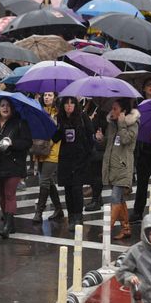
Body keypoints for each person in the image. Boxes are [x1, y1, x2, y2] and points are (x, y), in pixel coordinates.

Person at [0, 98, 33, 238]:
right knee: (2, 194)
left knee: (10, 194)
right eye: (2, 105)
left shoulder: (20, 123)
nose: (5, 108)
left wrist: (11, 143)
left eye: (8, 106)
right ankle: (10, 223)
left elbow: (27, 143)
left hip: (13, 164)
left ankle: (7, 226)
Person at [101, 98, 140, 240]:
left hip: (124, 166)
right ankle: (126, 228)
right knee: (121, 199)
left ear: (123, 111)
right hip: (113, 166)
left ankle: (108, 227)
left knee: (115, 197)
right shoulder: (112, 124)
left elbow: (126, 140)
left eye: (115, 108)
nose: (112, 111)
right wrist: (100, 138)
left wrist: (122, 124)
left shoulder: (133, 124)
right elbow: (108, 142)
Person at [54, 96, 94, 230]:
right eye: (66, 103)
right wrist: (54, 125)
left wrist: (86, 154)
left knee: (77, 189)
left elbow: (90, 136)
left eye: (72, 103)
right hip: (65, 159)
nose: (69, 106)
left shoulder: (82, 117)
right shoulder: (61, 118)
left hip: (79, 159)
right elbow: (55, 138)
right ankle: (71, 215)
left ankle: (78, 216)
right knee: (68, 189)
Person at [32, 92, 64, 223]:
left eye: (50, 95)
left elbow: (60, 132)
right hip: (40, 148)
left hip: (53, 149)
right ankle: (58, 209)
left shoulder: (59, 113)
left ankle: (39, 212)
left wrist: (51, 143)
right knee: (48, 181)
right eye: (45, 95)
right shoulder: (39, 111)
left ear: (55, 97)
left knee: (44, 180)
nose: (46, 97)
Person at [132, 79, 151, 223]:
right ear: (143, 88)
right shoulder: (138, 105)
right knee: (142, 183)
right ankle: (137, 212)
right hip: (143, 148)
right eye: (148, 85)